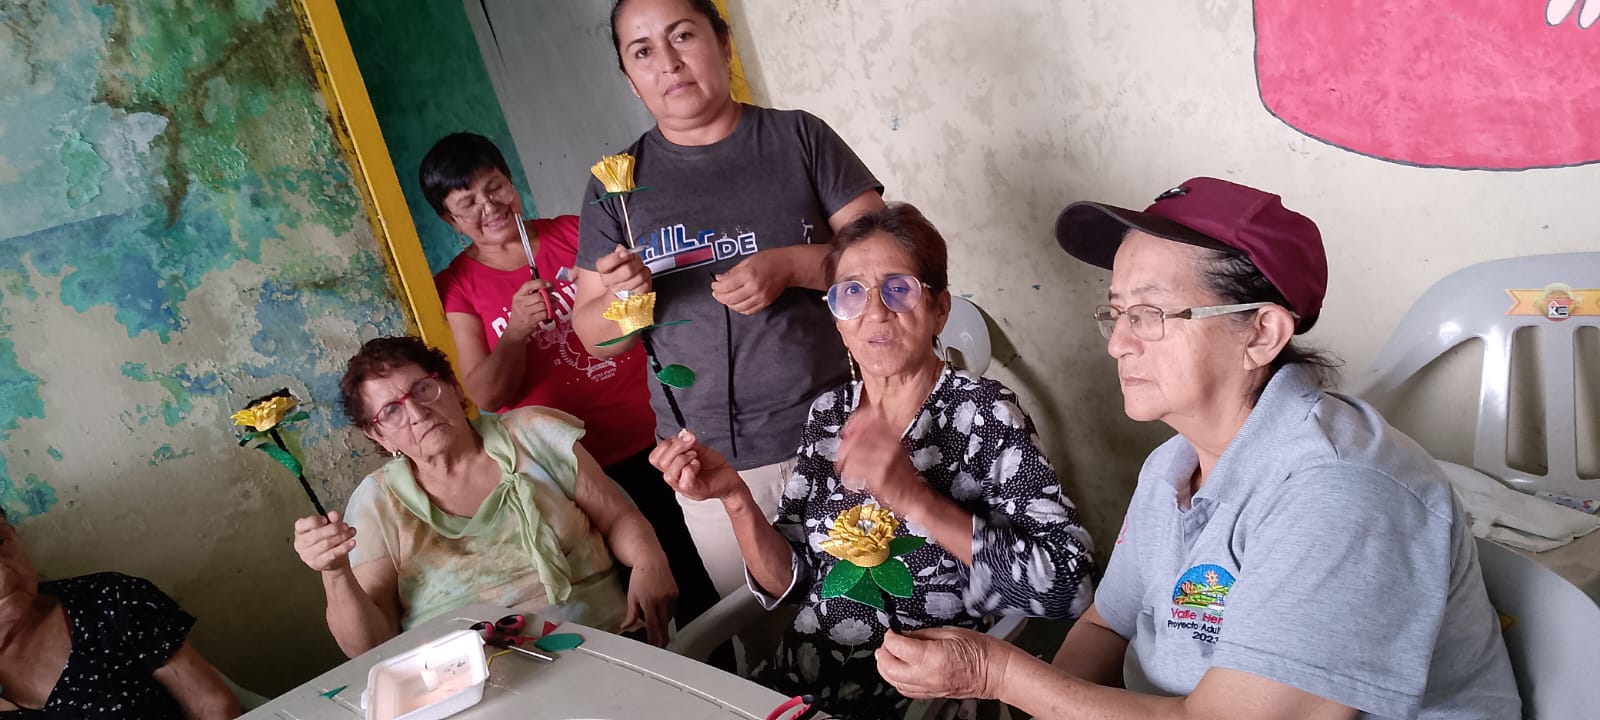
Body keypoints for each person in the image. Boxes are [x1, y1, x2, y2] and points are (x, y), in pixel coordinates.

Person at [875, 178, 1521, 719]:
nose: (1118, 344)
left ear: (1261, 333)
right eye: (1116, 312)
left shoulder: (1342, 495)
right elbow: (1107, 625)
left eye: (1149, 315)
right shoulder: (1175, 463)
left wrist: (993, 673)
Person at [650, 204, 1095, 718]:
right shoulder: (829, 413)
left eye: (898, 289)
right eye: (852, 293)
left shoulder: (985, 413)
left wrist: (917, 500)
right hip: (802, 686)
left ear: (939, 309)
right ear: (838, 320)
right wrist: (734, 496)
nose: (876, 312)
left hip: (922, 698)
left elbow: (1070, 586)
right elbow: (789, 580)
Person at [573, 0, 887, 596]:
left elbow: (891, 264)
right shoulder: (614, 187)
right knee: (768, 633)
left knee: (883, 607)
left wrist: (792, 266)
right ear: (630, 78)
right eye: (643, 51)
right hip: (709, 467)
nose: (668, 63)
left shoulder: (798, 137)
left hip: (844, 432)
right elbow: (595, 338)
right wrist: (626, 298)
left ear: (723, 43)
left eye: (683, 36)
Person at [421, 132, 715, 624]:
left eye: (495, 188)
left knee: (697, 574)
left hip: (651, 434)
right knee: (629, 601)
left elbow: (637, 305)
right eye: (467, 203)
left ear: (510, 182)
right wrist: (515, 330)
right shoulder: (458, 286)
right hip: (571, 466)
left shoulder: (574, 233)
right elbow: (487, 394)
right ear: (449, 220)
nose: (489, 207)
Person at [291, 336, 677, 657]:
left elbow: (617, 517)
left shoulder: (533, 433)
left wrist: (649, 559)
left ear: (453, 387)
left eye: (422, 389)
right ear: (377, 435)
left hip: (608, 646)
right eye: (391, 411)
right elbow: (369, 647)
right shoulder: (378, 502)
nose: (417, 413)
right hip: (477, 686)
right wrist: (335, 572)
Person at [0, 509, 241, 718]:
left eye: (1, 542)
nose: (3, 574)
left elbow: (211, 705)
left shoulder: (107, 600)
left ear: (14, 535)